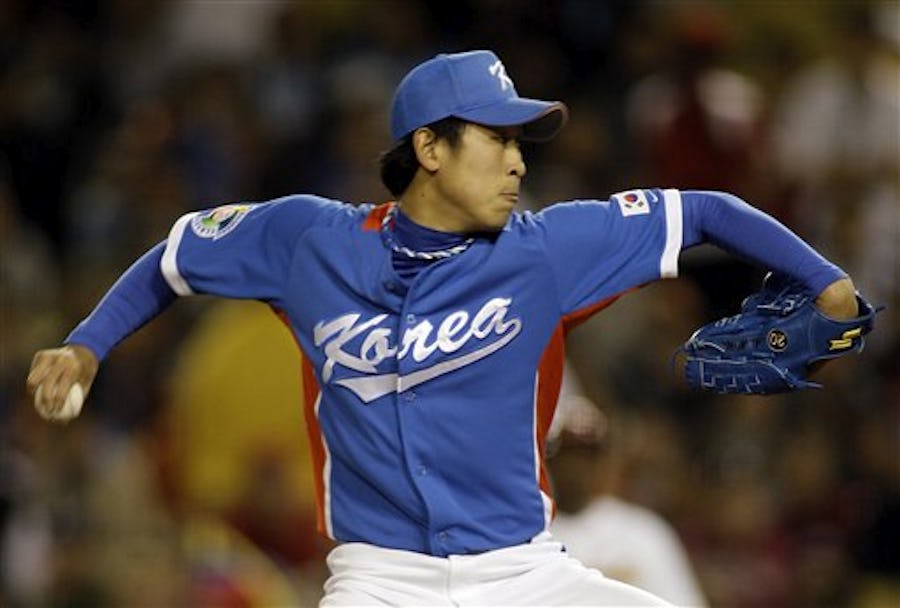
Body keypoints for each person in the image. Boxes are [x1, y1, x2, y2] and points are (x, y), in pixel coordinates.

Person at [27, 50, 860, 606]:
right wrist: (87, 344)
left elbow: (705, 210)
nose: (518, 160)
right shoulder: (308, 241)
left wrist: (825, 281)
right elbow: (176, 257)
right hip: (379, 581)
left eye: (519, 142)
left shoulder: (546, 250)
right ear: (429, 148)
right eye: (496, 138)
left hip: (526, 575)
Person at [547, 366, 707, 607]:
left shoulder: (642, 532)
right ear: (549, 462)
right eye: (568, 457)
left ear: (606, 462)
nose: (577, 469)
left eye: (588, 457)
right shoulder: (531, 535)